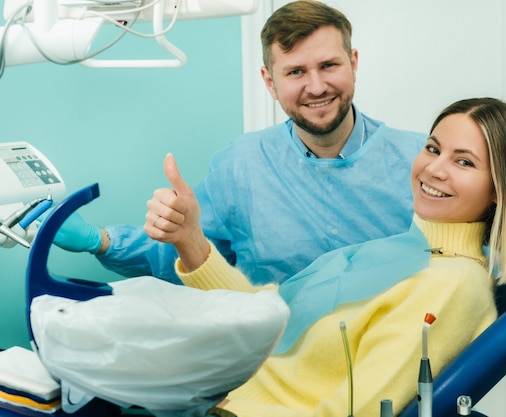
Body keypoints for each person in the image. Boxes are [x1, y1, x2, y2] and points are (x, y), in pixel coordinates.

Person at [144, 97, 506, 417]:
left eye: (463, 161)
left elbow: (356, 411)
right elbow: (271, 317)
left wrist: (234, 409)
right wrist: (189, 239)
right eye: (433, 148)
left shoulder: (451, 285)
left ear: (498, 190)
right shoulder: (409, 251)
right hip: (222, 386)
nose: (433, 169)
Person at [51, 0, 426, 285]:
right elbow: (185, 254)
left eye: (329, 65)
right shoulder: (241, 166)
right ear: (269, 82)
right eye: (295, 72)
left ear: (353, 62)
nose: (316, 86)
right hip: (276, 370)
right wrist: (99, 241)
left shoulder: (421, 163)